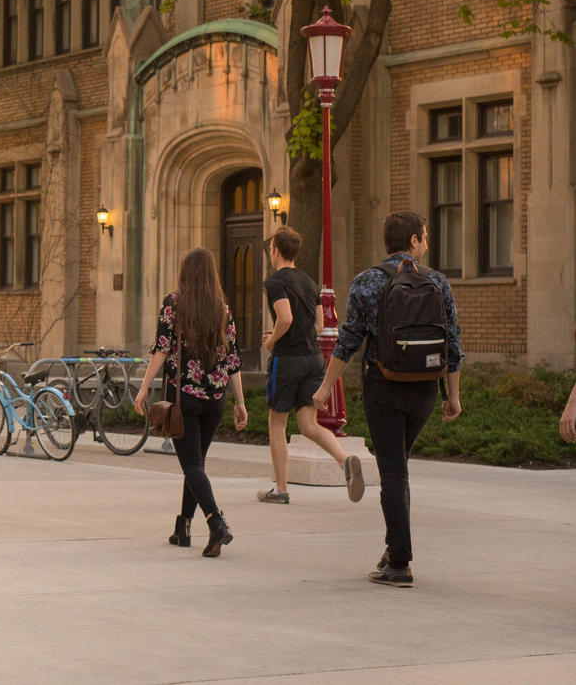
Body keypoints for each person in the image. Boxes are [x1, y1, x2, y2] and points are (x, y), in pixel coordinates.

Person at [312, 210, 463, 588]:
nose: (427, 242)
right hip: (426, 388)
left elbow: (348, 341)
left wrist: (326, 388)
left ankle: (399, 562)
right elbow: (454, 344)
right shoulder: (439, 282)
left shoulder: (367, 282)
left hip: (383, 385)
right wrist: (453, 396)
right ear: (412, 240)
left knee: (393, 471)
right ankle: (394, 552)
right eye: (424, 236)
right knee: (399, 467)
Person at [134, 248, 248, 557]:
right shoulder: (222, 310)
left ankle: (216, 523)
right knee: (196, 464)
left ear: (186, 273)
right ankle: (182, 527)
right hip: (216, 399)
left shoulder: (174, 304)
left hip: (183, 398)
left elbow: (161, 349)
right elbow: (233, 360)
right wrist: (240, 401)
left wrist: (144, 388)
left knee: (193, 465)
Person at [257, 226, 364, 505]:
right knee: (308, 423)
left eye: (271, 249)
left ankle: (280, 489)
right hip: (313, 359)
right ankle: (345, 461)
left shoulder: (275, 282)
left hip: (288, 360)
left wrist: (272, 343)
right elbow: (318, 324)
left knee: (277, 424)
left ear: (276, 251)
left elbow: (286, 318)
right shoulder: (309, 281)